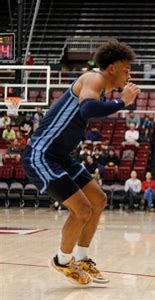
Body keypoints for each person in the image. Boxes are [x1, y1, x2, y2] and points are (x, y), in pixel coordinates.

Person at [22, 40, 140, 285]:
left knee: (98, 199)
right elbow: (87, 110)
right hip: (42, 154)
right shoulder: (93, 79)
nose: (129, 74)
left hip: (61, 156)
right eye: (126, 69)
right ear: (112, 68)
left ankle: (82, 257)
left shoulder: (101, 87)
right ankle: (62, 261)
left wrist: (116, 102)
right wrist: (122, 103)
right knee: (82, 209)